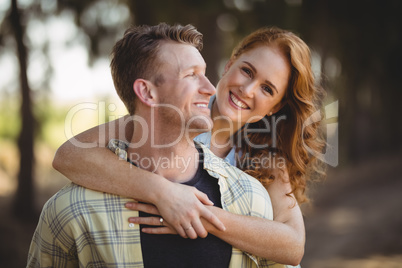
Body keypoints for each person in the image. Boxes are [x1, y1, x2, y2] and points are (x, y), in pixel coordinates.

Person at [52, 24, 325, 265]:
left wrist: (200, 214)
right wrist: (163, 192)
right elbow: (69, 155)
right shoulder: (171, 111)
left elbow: (292, 245)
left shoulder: (264, 154)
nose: (248, 89)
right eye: (246, 70)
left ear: (274, 108)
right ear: (230, 65)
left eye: (267, 89)